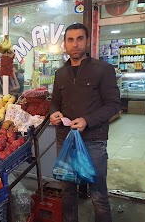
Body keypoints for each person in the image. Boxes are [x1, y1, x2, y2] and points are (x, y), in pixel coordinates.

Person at [49, 23, 121, 222]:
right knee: (68, 192)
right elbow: (55, 102)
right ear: (64, 44)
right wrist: (54, 113)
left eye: (80, 39)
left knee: (98, 195)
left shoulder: (103, 70)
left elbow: (114, 105)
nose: (75, 44)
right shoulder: (60, 74)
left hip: (93, 141)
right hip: (65, 141)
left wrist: (87, 120)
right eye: (70, 40)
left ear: (87, 41)